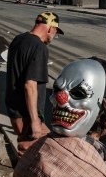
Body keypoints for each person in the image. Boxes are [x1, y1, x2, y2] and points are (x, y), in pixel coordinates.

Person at [5, 12, 63, 157]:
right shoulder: (39, 47)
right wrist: (35, 120)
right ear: (50, 28)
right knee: (41, 154)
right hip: (27, 114)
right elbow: (30, 85)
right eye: (56, 31)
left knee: (33, 154)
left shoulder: (18, 40)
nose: (54, 36)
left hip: (15, 109)